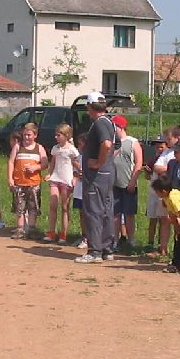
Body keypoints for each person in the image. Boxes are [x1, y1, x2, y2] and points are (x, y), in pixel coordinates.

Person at [74, 91, 118, 263]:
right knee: (106, 209)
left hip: (97, 175)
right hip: (107, 174)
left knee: (93, 210)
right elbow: (116, 145)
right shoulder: (109, 122)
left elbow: (106, 145)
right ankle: (107, 249)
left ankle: (95, 251)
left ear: (89, 106)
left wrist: (99, 163)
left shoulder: (100, 123)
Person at [8, 122, 48, 239]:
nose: (26, 137)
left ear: (35, 135)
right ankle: (20, 228)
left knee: (33, 206)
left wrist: (36, 167)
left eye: (29, 135)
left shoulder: (39, 148)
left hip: (34, 183)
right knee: (19, 206)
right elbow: (11, 162)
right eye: (25, 135)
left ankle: (31, 229)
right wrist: (10, 179)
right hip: (19, 182)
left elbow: (45, 163)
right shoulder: (17, 147)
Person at [111, 115, 143, 252]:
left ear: (121, 127)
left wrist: (133, 181)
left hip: (128, 182)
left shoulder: (132, 142)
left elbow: (139, 162)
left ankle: (131, 239)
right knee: (115, 213)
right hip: (114, 183)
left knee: (129, 213)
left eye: (115, 127)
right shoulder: (112, 143)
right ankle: (115, 240)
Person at [45, 123, 80, 243]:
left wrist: (76, 177)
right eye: (56, 135)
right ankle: (51, 232)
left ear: (66, 135)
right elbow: (53, 162)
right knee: (53, 205)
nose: (56, 137)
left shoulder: (72, 149)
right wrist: (49, 173)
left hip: (67, 179)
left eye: (58, 135)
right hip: (56, 178)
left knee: (65, 207)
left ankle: (63, 233)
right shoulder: (55, 148)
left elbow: (76, 164)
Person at [144, 136, 173, 256]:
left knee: (163, 219)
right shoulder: (154, 159)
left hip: (164, 192)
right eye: (157, 146)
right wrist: (148, 173)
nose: (159, 148)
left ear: (166, 146)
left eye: (161, 146)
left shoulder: (168, 157)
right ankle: (150, 243)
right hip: (153, 192)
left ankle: (161, 245)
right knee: (152, 218)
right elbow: (148, 172)